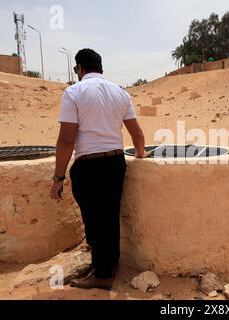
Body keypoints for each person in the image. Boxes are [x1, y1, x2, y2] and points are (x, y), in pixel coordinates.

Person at [50, 48, 148, 290]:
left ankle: (102, 275)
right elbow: (137, 133)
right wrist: (140, 154)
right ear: (100, 67)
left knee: (95, 219)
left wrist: (58, 176)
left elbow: (66, 140)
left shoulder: (73, 92)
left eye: (76, 70)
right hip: (115, 163)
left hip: (89, 165)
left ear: (80, 68)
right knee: (110, 216)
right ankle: (110, 264)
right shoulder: (120, 93)